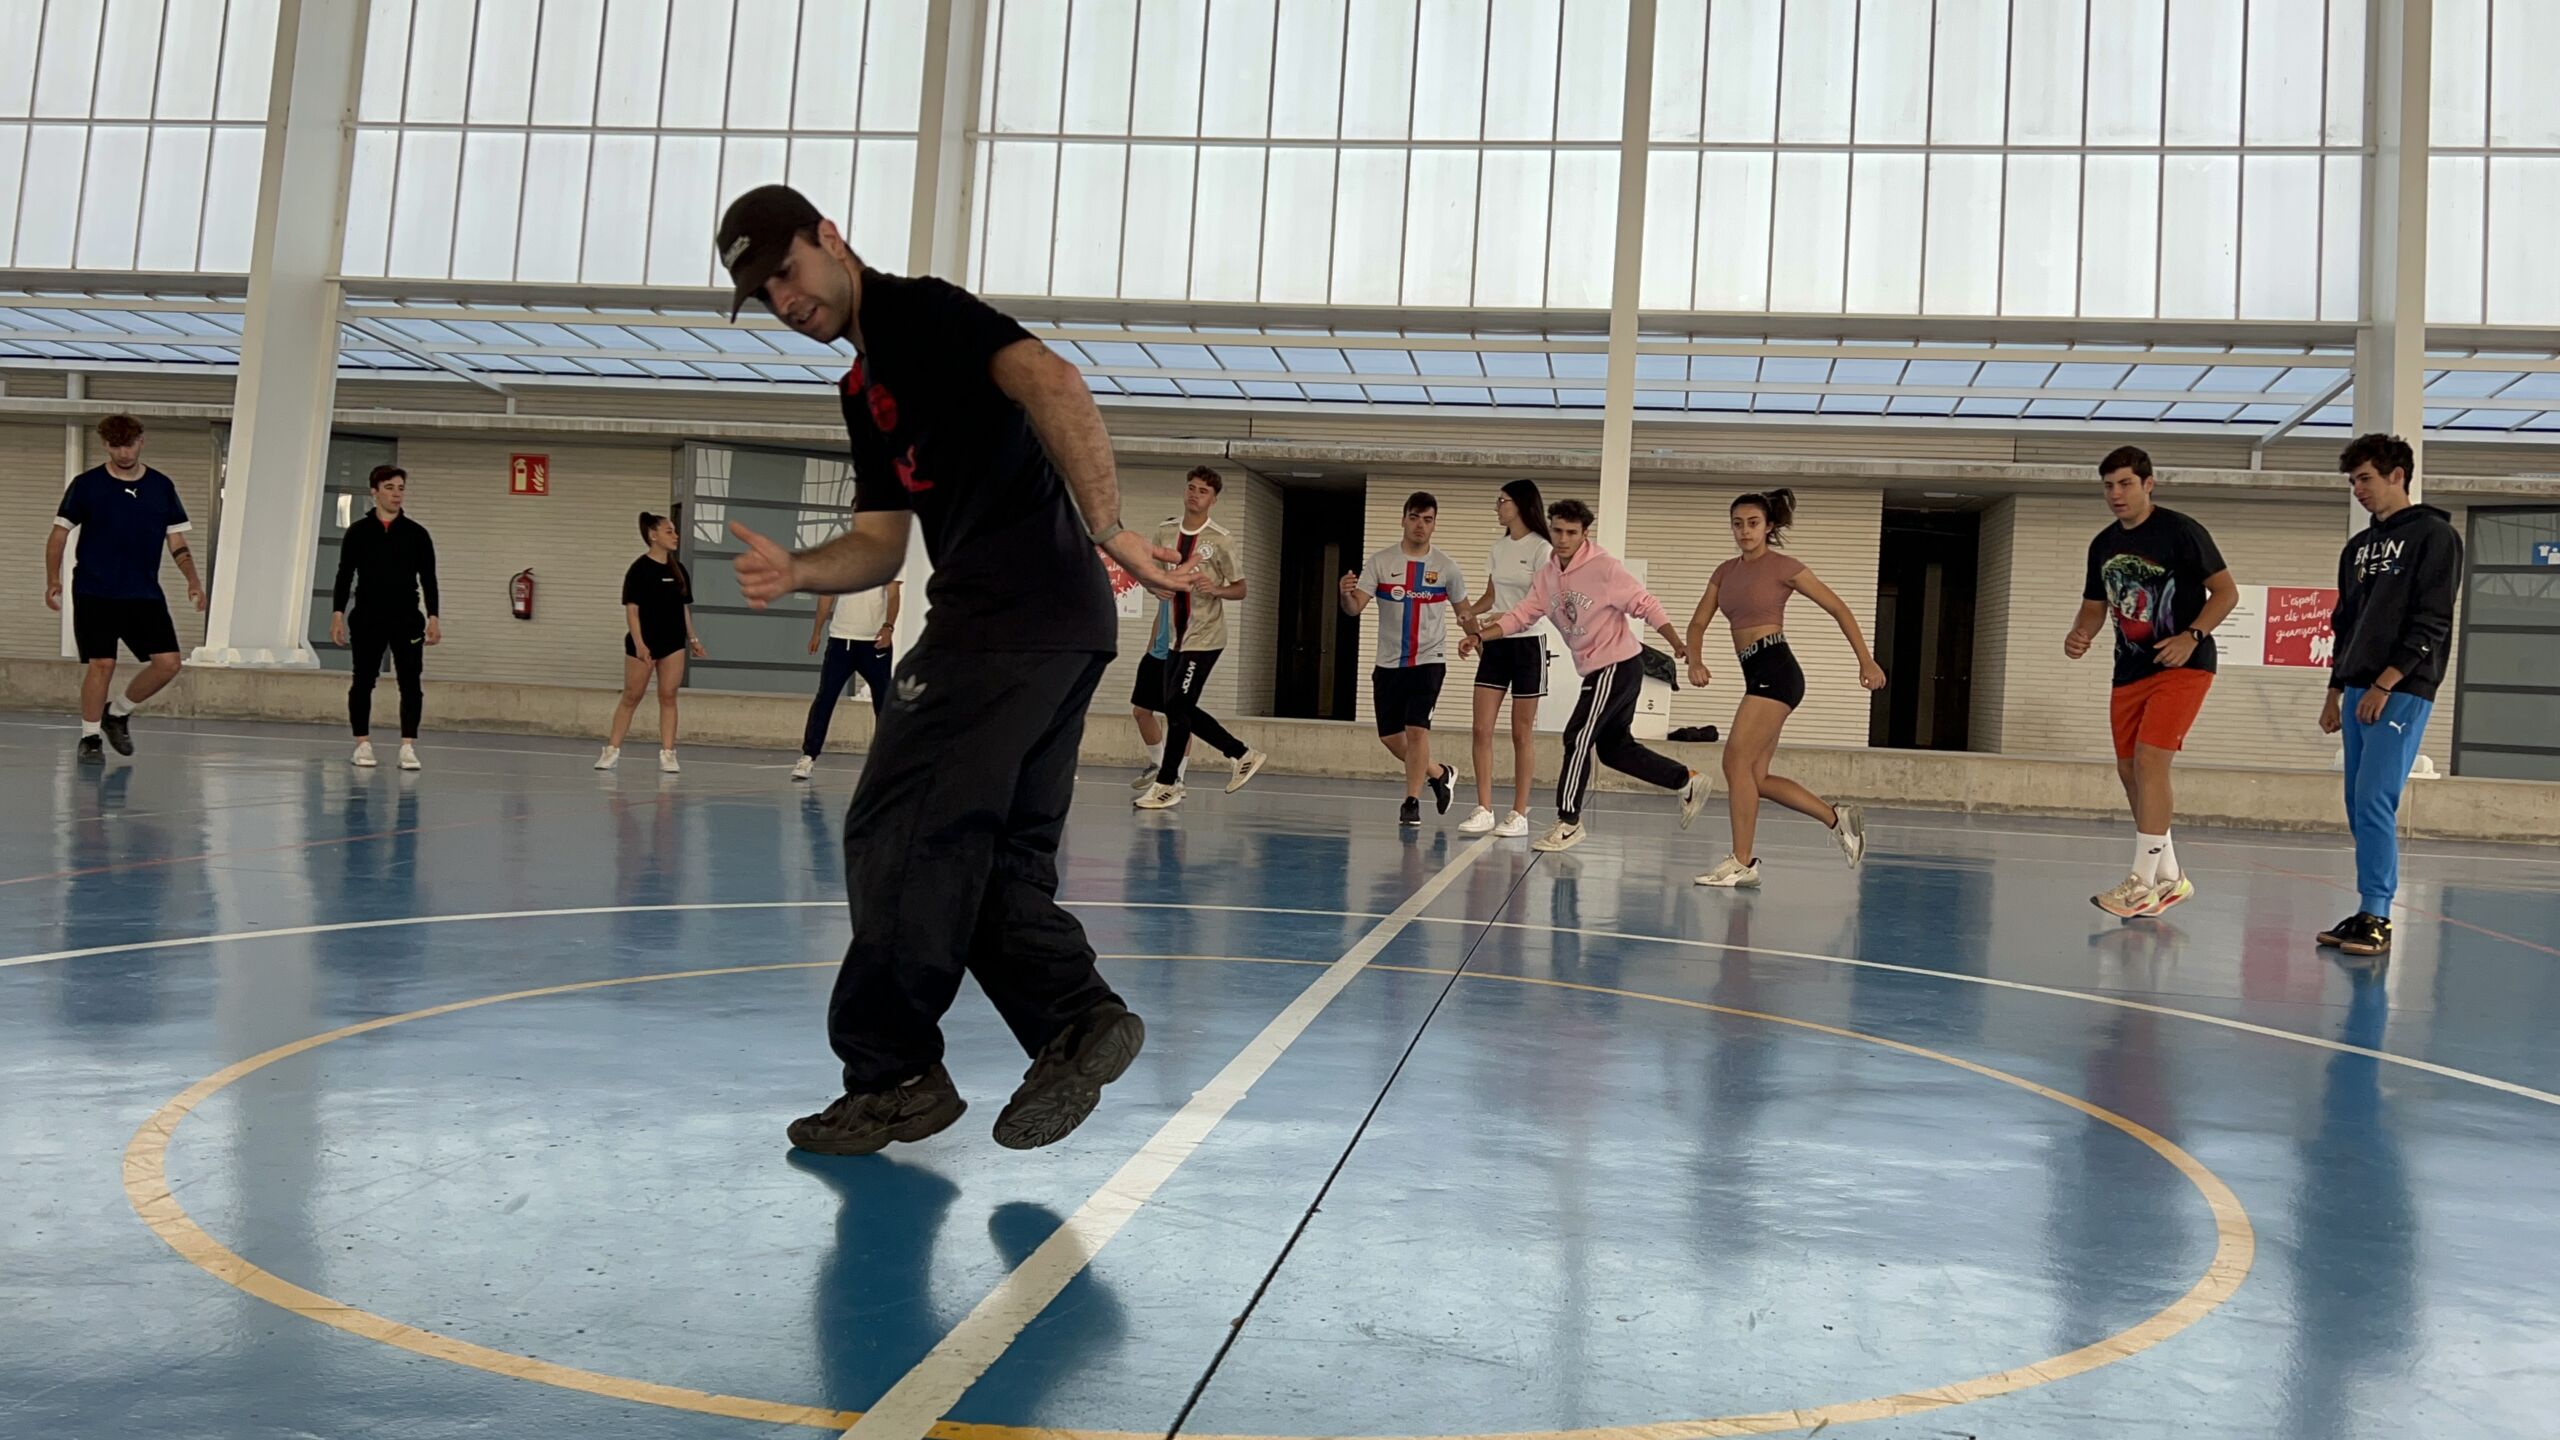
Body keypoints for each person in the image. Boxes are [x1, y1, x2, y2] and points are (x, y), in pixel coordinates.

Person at [714, 182, 1178, 1156]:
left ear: (831, 237)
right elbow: (882, 545)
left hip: (1004, 618)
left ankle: (892, 1075)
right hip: (1056, 627)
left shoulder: (919, 313)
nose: (786, 301)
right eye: (765, 295)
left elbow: (1054, 381)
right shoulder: (863, 387)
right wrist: (799, 570)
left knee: (898, 830)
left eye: (789, 272)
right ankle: (1076, 1020)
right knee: (986, 855)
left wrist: (1110, 529)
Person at [1465, 498, 1708, 853]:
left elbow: (1646, 604)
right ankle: (1686, 781)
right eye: (1557, 531)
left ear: (1584, 534)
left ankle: (1568, 822)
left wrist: (1676, 643)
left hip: (1617, 664)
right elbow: (1520, 616)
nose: (1563, 539)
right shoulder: (1547, 576)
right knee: (1614, 750)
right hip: (1600, 669)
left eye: (1571, 533)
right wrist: (1479, 637)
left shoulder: (1604, 568)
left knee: (1577, 737)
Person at [1680, 489, 1886, 888]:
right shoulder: (1724, 572)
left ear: (1768, 526)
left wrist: (1866, 660)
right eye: (1737, 524)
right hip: (1755, 671)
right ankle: (1837, 818)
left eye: (1753, 523)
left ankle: (1742, 862)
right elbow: (1697, 623)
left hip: (1776, 669)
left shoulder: (1784, 567)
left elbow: (1839, 608)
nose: (1744, 531)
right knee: (1754, 777)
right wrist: (1696, 660)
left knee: (1734, 762)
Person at [2066, 446, 2238, 918]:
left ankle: (2141, 882)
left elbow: (2226, 592)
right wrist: (2081, 633)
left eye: (2125, 484)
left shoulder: (2181, 531)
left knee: (2150, 761)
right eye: (2108, 486)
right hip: (2129, 670)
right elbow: (2094, 607)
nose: (2116, 494)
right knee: (2129, 771)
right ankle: (2170, 876)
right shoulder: (2102, 544)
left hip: (2182, 666)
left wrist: (2191, 636)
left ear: (2148, 484)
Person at [2317, 433, 2463, 960]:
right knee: (2357, 802)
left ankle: (2378, 915)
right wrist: (2335, 690)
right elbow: (2345, 623)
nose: (2358, 489)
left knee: (2376, 796)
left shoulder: (2434, 535)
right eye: (2353, 481)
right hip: (2358, 686)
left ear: (2397, 475)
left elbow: (2433, 619)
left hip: (2401, 687)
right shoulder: (2358, 548)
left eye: (2366, 479)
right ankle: (2365, 909)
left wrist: (2386, 683)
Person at [44, 414, 202, 764]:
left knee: (169, 664)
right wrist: (53, 578)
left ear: (141, 441)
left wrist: (192, 579)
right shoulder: (87, 485)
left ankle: (116, 713)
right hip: (95, 589)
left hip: (143, 592)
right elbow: (59, 534)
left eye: (129, 445)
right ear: (106, 445)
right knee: (102, 662)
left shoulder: (161, 487)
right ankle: (90, 738)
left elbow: (176, 541)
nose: (124, 453)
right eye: (116, 446)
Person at [1134, 465, 1267, 810]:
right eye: (1191, 488)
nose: (1195, 495)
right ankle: (1241, 754)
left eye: (1203, 491)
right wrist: (1157, 588)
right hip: (1174, 638)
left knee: (1178, 706)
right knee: (1175, 707)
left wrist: (1217, 589)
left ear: (1214, 500)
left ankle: (1167, 783)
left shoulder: (1220, 539)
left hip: (1205, 637)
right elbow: (1153, 577)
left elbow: (1241, 589)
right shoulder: (1165, 531)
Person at [1342, 492, 1464, 827]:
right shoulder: (1380, 562)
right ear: (1403, 520)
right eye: (1414, 518)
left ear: (1434, 524)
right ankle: (1439, 773)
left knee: (1416, 730)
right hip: (1389, 663)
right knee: (1391, 737)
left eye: (1427, 519)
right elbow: (1354, 607)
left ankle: (1411, 802)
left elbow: (1463, 612)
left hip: (1428, 660)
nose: (1420, 525)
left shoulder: (1447, 567)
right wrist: (1345, 594)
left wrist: (1480, 641)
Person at [1454, 480, 1553, 837]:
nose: (1497, 507)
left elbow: (1540, 602)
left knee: (1521, 733)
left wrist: (1506, 617)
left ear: (1520, 505)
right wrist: (1472, 613)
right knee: (1481, 728)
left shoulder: (1543, 549)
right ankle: (1484, 808)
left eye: (1502, 501)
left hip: (1527, 645)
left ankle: (1519, 813)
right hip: (1496, 645)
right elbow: (1492, 595)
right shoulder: (1498, 548)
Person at [329, 464, 441, 771]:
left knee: (411, 682)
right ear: (374, 492)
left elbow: (428, 579)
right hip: (368, 616)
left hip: (407, 618)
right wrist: (338, 614)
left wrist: (433, 616)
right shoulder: (358, 532)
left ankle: (408, 747)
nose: (396, 494)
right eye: (389, 488)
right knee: (363, 680)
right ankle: (362, 744)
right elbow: (344, 575)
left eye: (400, 488)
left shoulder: (417, 534)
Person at [597, 512, 706, 774]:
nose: (675, 536)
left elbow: (683, 608)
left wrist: (693, 638)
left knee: (668, 695)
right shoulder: (639, 569)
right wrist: (640, 644)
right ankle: (611, 750)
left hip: (673, 642)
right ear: (653, 535)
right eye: (669, 531)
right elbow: (632, 611)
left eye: (675, 531)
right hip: (644, 642)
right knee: (632, 696)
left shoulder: (679, 570)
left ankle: (668, 753)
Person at [795, 563, 902, 782]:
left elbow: (893, 595)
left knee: (884, 702)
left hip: (874, 643)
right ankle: (808, 756)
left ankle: (887, 760)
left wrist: (888, 627)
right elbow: (826, 596)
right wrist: (817, 632)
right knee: (825, 698)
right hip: (841, 641)